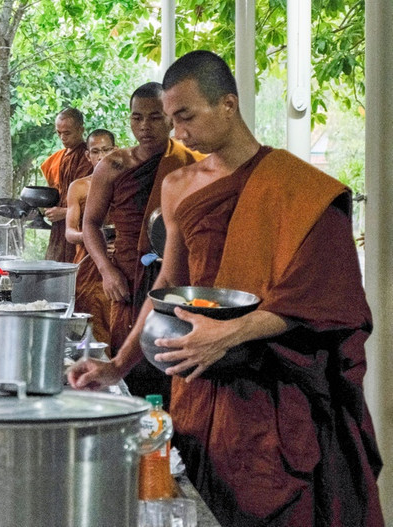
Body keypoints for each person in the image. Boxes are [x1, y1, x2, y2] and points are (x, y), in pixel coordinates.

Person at [69, 51, 383, 526]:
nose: (177, 133)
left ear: (229, 105)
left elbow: (327, 299)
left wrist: (232, 333)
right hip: (198, 387)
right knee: (202, 500)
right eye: (171, 119)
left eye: (185, 116)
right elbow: (168, 287)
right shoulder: (179, 186)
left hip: (271, 391)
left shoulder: (297, 188)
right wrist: (117, 365)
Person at [82, 82, 203, 397]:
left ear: (170, 118)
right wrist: (107, 271)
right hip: (126, 275)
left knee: (171, 355)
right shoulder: (113, 165)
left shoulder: (191, 162)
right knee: (130, 361)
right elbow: (90, 223)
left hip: (177, 274)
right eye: (137, 118)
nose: (145, 126)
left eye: (154, 117)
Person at [64, 128, 116, 345]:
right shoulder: (79, 187)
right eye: (95, 151)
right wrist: (94, 238)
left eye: (106, 150)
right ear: (88, 155)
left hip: (119, 263)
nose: (101, 156)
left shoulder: (127, 185)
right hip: (88, 267)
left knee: (118, 323)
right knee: (91, 327)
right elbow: (69, 232)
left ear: (116, 151)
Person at [40, 107, 93, 263]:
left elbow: (93, 199)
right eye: (59, 133)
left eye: (67, 133)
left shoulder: (88, 157)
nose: (62, 137)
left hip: (79, 227)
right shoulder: (59, 158)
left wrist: (64, 212)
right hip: (59, 228)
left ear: (81, 129)